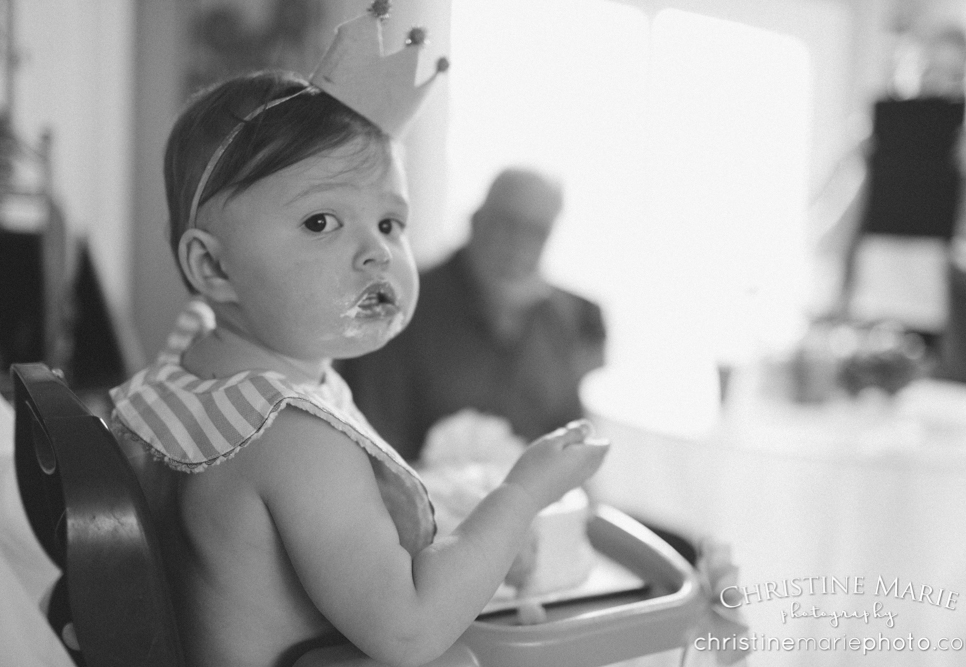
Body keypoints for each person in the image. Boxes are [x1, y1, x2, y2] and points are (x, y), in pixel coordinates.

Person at [107, 8, 610, 667]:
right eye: (321, 221)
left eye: (391, 223)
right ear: (213, 266)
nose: (376, 252)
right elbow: (408, 630)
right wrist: (521, 494)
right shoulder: (294, 435)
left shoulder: (195, 368)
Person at [337, 168, 606, 461]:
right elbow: (373, 443)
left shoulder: (575, 316)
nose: (519, 244)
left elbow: (573, 439)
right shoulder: (397, 305)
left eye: (537, 232)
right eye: (507, 224)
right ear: (476, 221)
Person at [814, 22, 966, 383]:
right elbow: (824, 241)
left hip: (941, 341)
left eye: (954, 75)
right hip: (864, 321)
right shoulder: (870, 147)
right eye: (929, 70)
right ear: (905, 71)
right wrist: (852, 171)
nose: (939, 84)